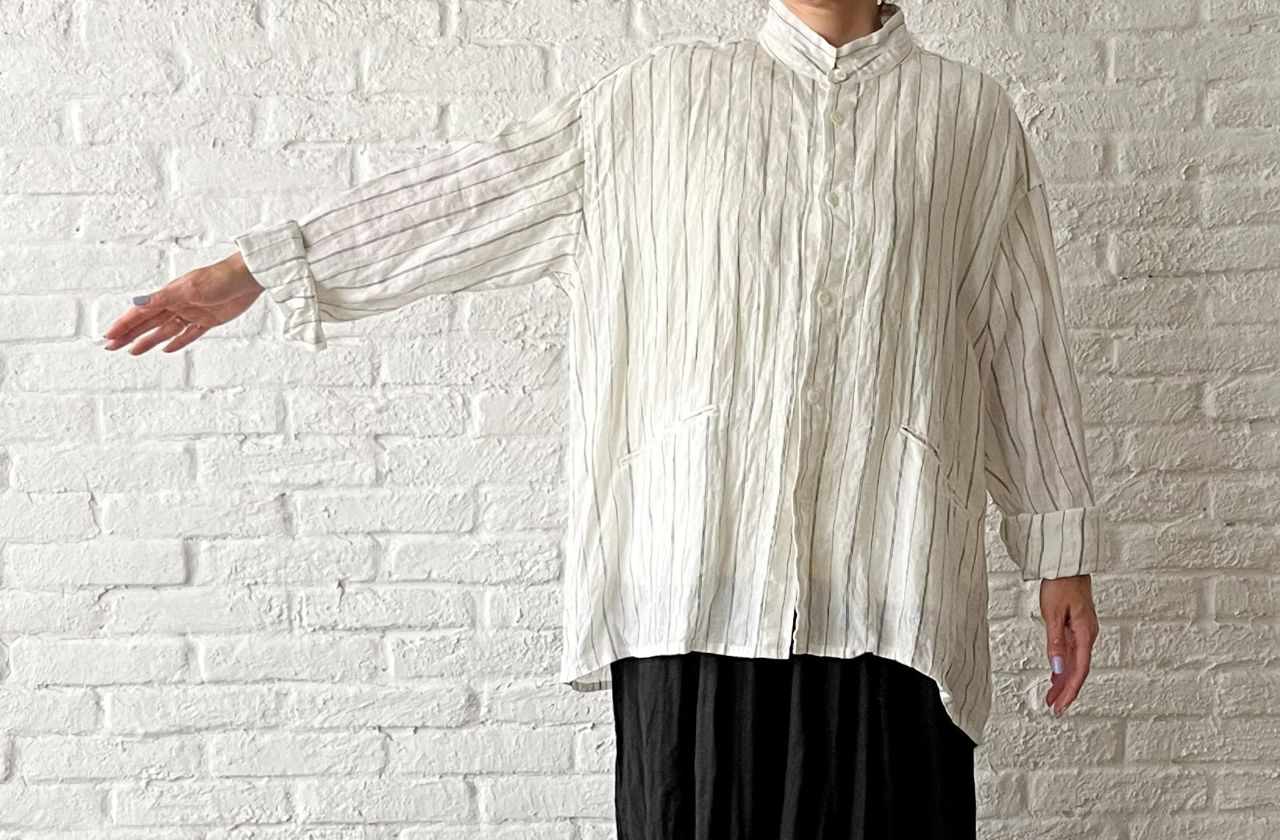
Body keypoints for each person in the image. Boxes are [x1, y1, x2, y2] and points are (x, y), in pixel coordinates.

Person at [104, 0, 1104, 836]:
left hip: (894, 588)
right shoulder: (652, 101)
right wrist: (263, 267)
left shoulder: (969, 118)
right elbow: (468, 195)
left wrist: (1058, 552)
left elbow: (1019, 338)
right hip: (692, 590)